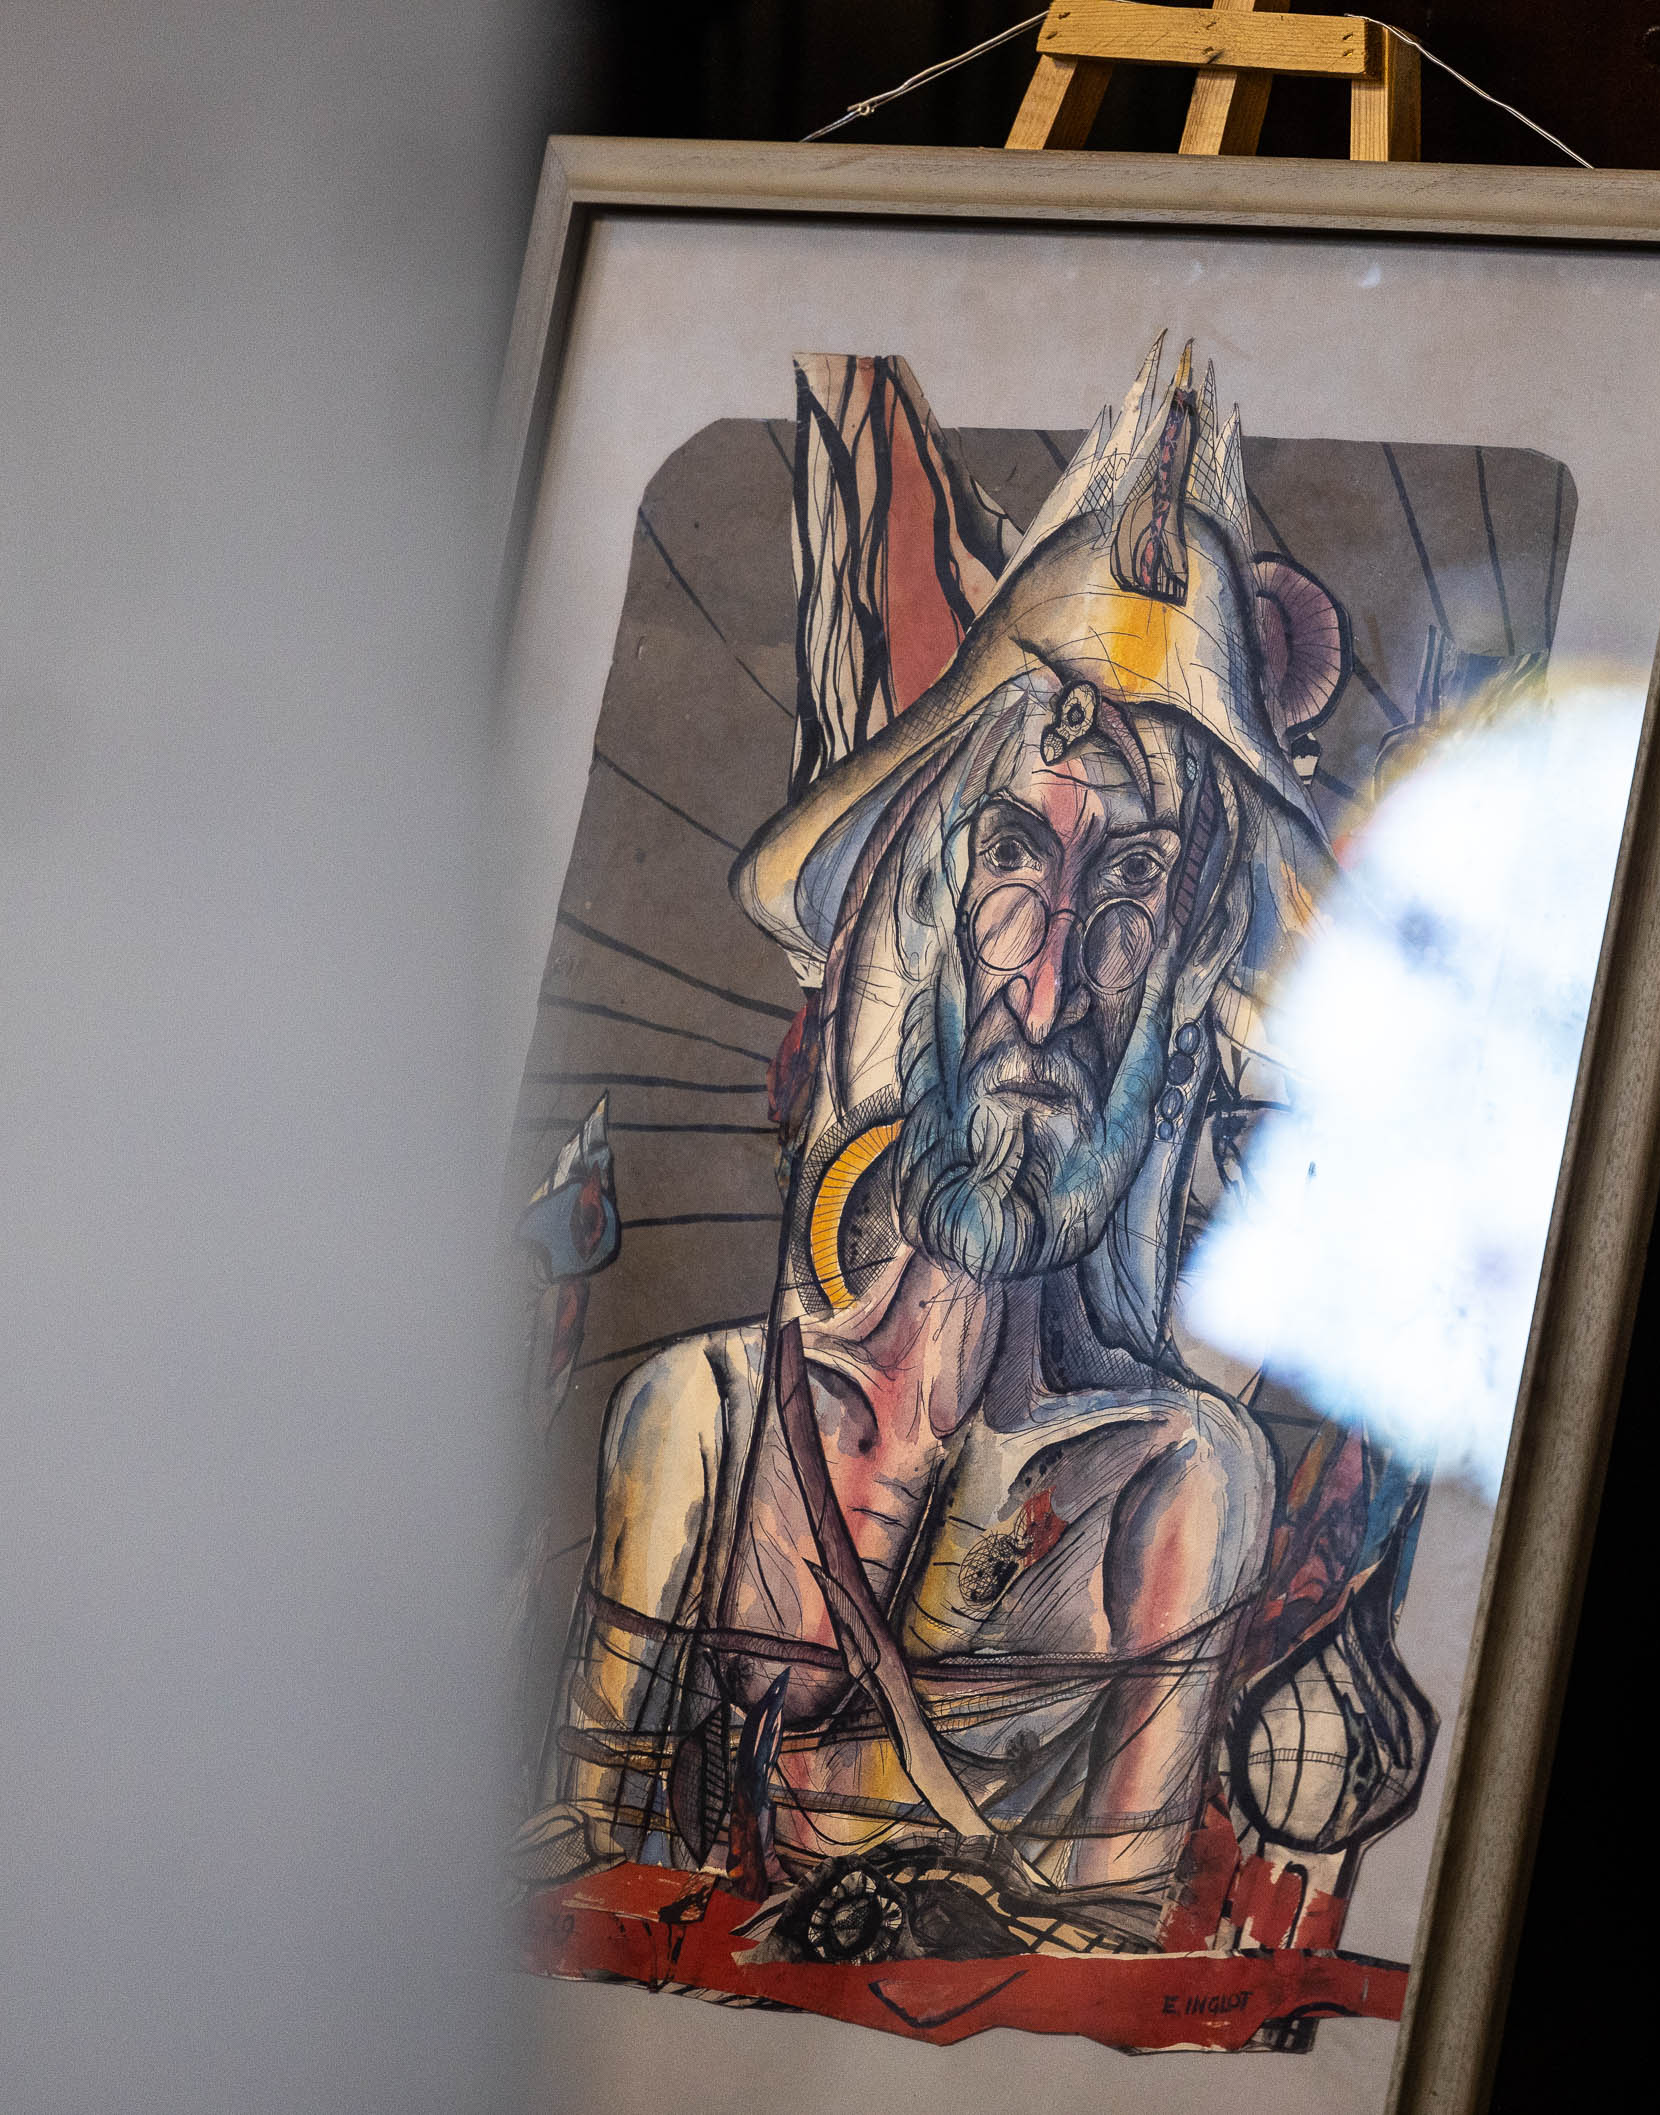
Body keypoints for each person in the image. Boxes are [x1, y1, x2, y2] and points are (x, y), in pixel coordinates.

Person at [525, 339, 1346, 1960]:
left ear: (1190, 980)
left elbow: (1115, 1993)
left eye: (1133, 890)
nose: (1048, 988)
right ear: (928, 911)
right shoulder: (701, 1421)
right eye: (1015, 860)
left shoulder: (1179, 1484)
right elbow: (561, 1916)